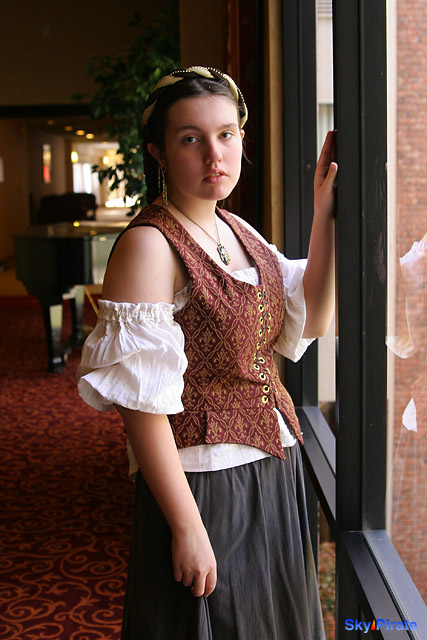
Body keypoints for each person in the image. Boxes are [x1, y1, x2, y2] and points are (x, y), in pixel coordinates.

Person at [77, 66, 337, 639]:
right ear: (159, 153)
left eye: (226, 135)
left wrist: (325, 215)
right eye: (191, 138)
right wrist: (187, 526)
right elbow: (140, 406)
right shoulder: (149, 245)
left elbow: (313, 317)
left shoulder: (239, 231)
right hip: (204, 484)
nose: (214, 155)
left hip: (274, 466)